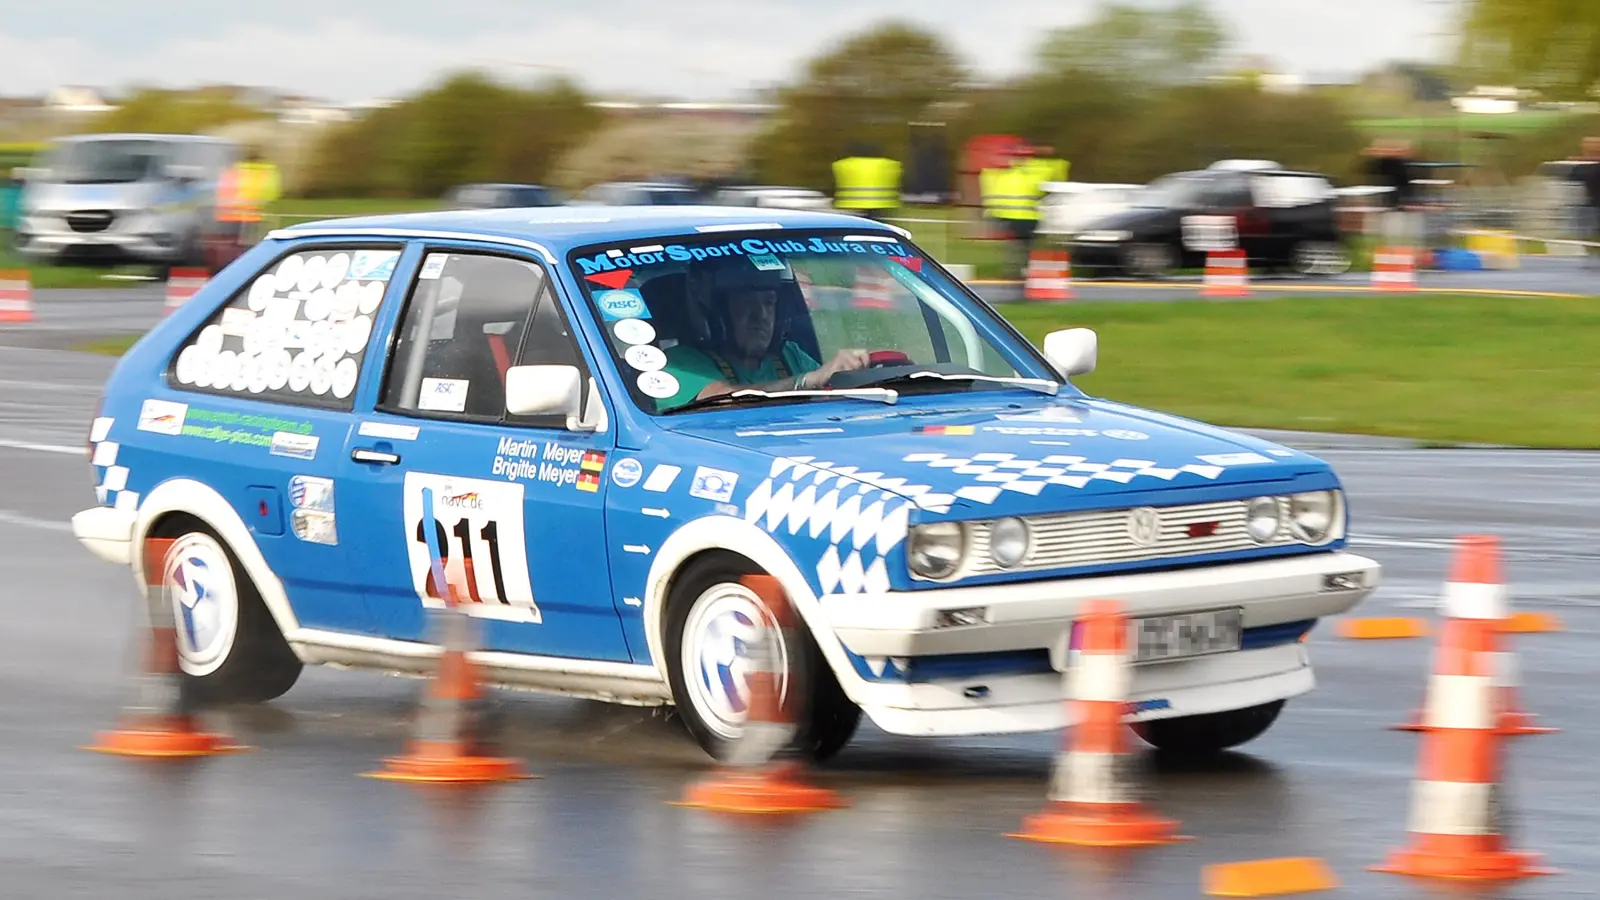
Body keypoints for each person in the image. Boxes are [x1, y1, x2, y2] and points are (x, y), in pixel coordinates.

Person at [654, 262, 869, 411]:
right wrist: (805, 381)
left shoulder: (789, 355)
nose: (761, 316)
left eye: (769, 303)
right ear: (718, 310)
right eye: (747, 303)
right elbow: (720, 399)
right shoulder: (680, 363)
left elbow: (827, 386)